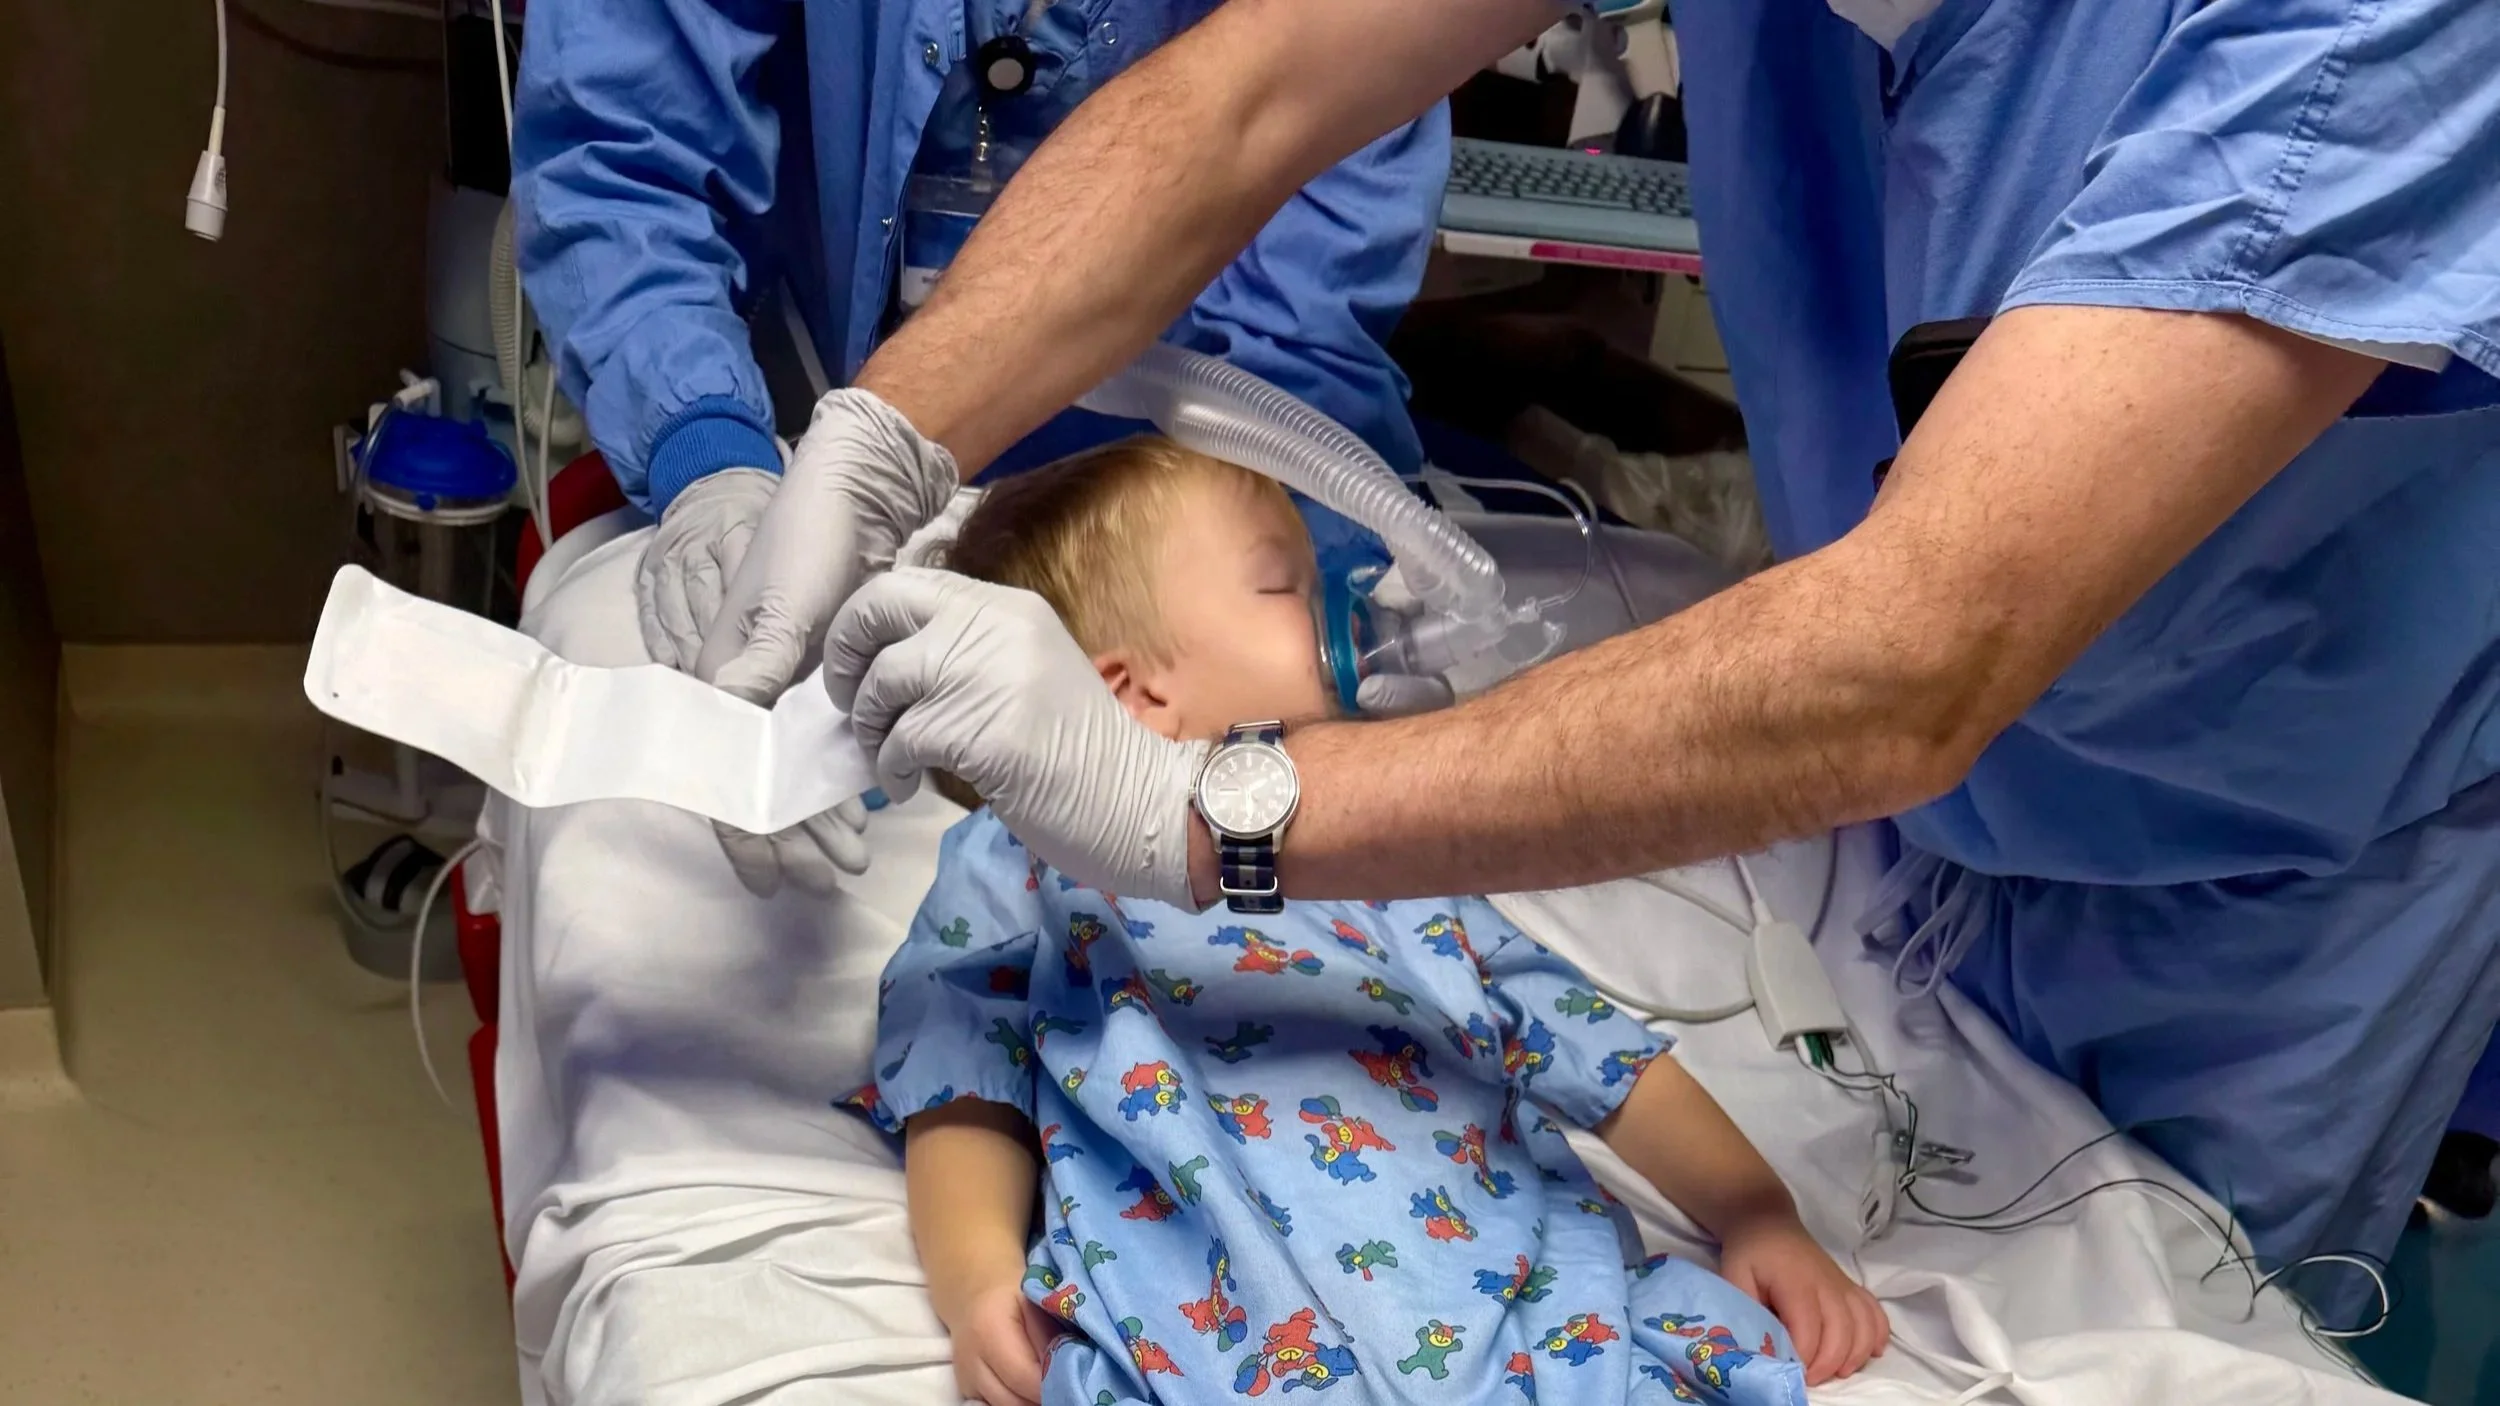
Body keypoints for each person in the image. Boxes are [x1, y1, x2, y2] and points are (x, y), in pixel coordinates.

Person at [705, 0, 2500, 1316]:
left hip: (2271, 852)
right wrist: (888, 429)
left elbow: (1906, 662)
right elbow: (1247, 95)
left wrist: (1212, 807)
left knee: (2178, 1308)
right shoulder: (1008, 881)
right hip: (1889, 822)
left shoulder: (2362, 37)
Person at [855, 439, 1886, 1406]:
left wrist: (1757, 1213)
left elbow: (1596, 1052)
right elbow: (961, 1080)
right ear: (1131, 693)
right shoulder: (1023, 857)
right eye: (1283, 588)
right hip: (1215, 1322)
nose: (1347, 611)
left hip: (1532, 1307)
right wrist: (977, 1277)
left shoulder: (1388, 857)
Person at [506, 0, 1447, 896]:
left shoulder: (1332, 840)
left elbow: (1296, 140)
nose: (1352, 633)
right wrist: (705, 453)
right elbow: (620, 143)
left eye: (1289, 586)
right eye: (1283, 588)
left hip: (1208, 454)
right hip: (846, 451)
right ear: (1125, 692)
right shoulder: (1021, 914)